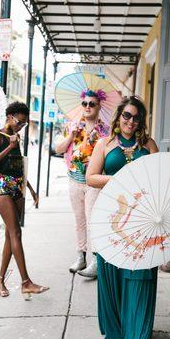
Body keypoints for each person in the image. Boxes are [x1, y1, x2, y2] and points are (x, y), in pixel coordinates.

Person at [86, 96, 159, 339]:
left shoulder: (148, 145)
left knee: (139, 276)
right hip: (113, 220)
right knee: (114, 275)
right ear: (118, 118)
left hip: (142, 221)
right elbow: (91, 177)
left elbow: (159, 178)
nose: (130, 121)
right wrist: (117, 178)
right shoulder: (105, 145)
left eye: (136, 117)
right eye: (126, 116)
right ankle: (118, 332)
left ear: (141, 121)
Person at [0, 101, 49, 299]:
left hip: (17, 187)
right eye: (19, 122)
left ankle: (0, 279)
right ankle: (25, 282)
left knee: (9, 236)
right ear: (9, 117)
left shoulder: (16, 137)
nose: (21, 126)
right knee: (16, 233)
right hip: (2, 187)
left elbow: (18, 166)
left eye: (24, 124)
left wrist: (30, 189)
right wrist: (9, 146)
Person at [56, 89, 109, 277]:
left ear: (99, 106)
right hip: (74, 180)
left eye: (92, 104)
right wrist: (71, 135)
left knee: (93, 220)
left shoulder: (105, 131)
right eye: (84, 103)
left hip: (93, 182)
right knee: (79, 220)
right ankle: (81, 256)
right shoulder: (73, 126)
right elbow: (58, 148)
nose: (87, 107)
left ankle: (96, 260)